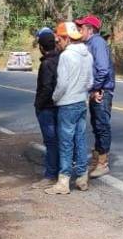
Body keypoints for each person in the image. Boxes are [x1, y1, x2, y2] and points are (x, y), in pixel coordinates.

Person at [46, 21, 93, 195]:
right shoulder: (87, 55)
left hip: (67, 103)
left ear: (66, 38)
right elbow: (90, 82)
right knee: (80, 139)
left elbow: (62, 84)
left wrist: (54, 98)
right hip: (82, 101)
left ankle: (63, 181)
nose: (58, 43)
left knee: (66, 142)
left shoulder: (66, 56)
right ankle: (82, 177)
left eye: (59, 39)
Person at [77, 15, 115, 178]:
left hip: (102, 91)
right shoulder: (90, 43)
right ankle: (97, 158)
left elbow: (103, 69)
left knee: (102, 125)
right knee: (97, 125)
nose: (79, 31)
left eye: (82, 28)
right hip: (96, 90)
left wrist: (97, 88)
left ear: (90, 29)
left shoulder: (97, 42)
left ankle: (102, 163)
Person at [32, 29, 60, 189]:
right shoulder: (60, 59)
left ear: (41, 47)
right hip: (59, 105)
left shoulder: (47, 64)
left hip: (48, 108)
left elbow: (47, 87)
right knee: (60, 140)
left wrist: (39, 105)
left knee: (51, 142)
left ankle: (50, 174)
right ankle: (62, 171)